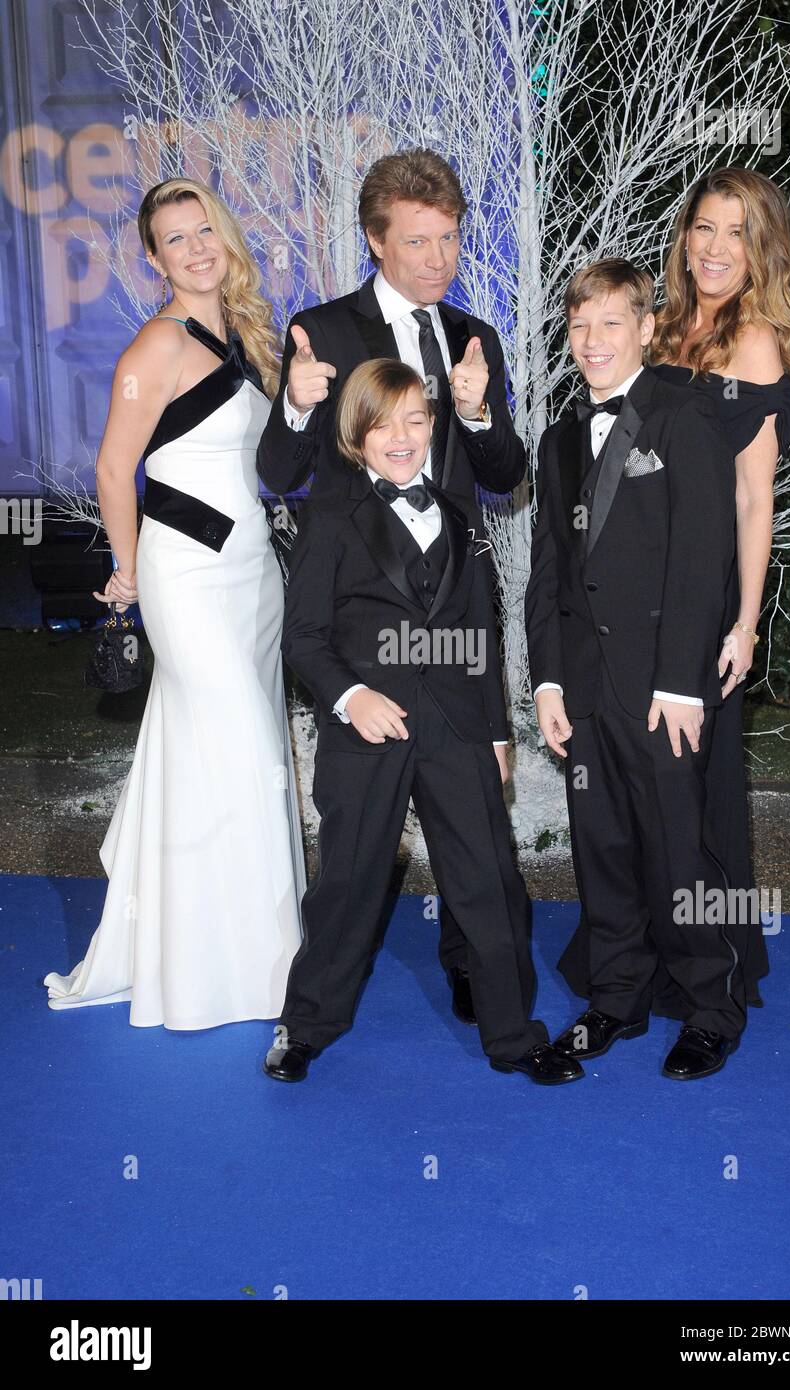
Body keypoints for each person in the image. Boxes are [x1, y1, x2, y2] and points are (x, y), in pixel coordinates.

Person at [257, 148, 526, 1027]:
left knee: (475, 838)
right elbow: (276, 470)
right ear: (376, 241)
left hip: (454, 612)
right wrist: (296, 405)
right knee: (357, 852)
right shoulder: (322, 332)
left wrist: (480, 414)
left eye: (448, 239)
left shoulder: (472, 333)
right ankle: (313, 1016)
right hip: (360, 626)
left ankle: (475, 977)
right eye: (417, 241)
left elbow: (505, 473)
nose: (437, 260)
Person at [263, 358, 580, 1085]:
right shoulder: (330, 518)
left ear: (432, 426)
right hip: (366, 731)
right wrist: (351, 698)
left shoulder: (461, 517)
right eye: (382, 425)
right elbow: (302, 637)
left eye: (414, 420)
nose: (399, 438)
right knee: (346, 884)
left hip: (458, 731)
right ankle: (304, 1026)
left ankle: (514, 1037)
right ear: (356, 436)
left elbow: (481, 634)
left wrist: (498, 732)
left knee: (489, 885)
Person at [44, 178, 305, 1029]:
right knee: (241, 743)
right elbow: (117, 469)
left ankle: (245, 954)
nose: (195, 248)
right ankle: (230, 972)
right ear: (153, 259)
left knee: (223, 754)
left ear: (223, 237)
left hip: (253, 576)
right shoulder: (154, 347)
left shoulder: (245, 330)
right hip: (185, 576)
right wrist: (125, 570)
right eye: (174, 239)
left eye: (205, 231)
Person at [525, 258, 743, 1080]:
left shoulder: (686, 422)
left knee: (680, 851)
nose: (591, 342)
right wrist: (547, 680)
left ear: (647, 329)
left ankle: (709, 1009)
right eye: (579, 326)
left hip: (663, 688)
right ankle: (614, 997)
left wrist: (682, 682)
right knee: (603, 850)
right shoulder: (555, 441)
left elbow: (701, 561)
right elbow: (547, 569)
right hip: (583, 690)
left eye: (610, 323)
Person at [649, 166, 790, 1016]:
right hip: (637, 591)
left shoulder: (753, 343)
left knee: (700, 787)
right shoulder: (662, 325)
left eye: (734, 233)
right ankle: (646, 950)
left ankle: (712, 968)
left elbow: (754, 496)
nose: (714, 248)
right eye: (702, 228)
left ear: (760, 249)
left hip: (702, 595)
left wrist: (743, 623)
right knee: (650, 781)